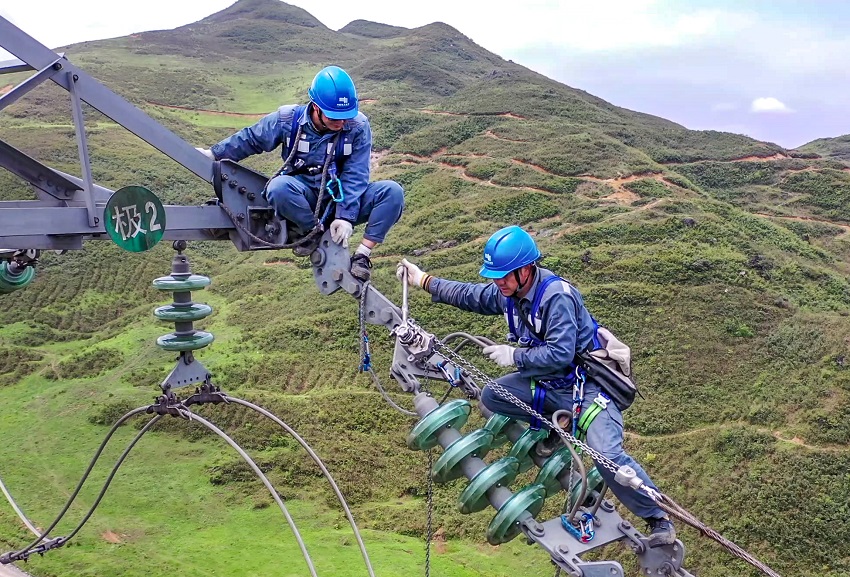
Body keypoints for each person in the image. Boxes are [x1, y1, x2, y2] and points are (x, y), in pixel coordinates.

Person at [396, 225, 676, 547]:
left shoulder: (555, 296)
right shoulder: (510, 293)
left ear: (526, 269)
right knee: (492, 396)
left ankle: (658, 519)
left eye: (503, 275)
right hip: (549, 384)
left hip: (587, 391)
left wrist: (515, 355)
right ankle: (554, 428)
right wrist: (424, 280)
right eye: (495, 276)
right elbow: (470, 295)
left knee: (607, 455)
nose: (497, 282)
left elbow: (561, 353)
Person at [197, 65, 404, 282]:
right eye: (334, 118)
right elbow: (250, 139)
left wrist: (346, 218)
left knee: (392, 192)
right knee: (278, 187)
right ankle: (311, 233)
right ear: (315, 108)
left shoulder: (357, 126)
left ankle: (362, 256)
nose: (341, 123)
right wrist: (213, 154)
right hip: (303, 197)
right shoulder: (288, 120)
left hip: (339, 198)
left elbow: (356, 173)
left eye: (345, 117)